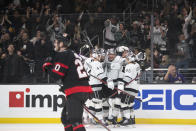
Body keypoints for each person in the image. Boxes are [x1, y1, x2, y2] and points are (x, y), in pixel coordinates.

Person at [43, 33, 93, 131]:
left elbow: (56, 75)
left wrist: (47, 67)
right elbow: (72, 72)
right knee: (66, 119)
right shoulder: (72, 53)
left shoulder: (63, 54)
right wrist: (66, 86)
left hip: (77, 90)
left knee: (75, 121)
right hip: (81, 89)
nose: (54, 44)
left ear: (61, 44)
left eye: (56, 42)